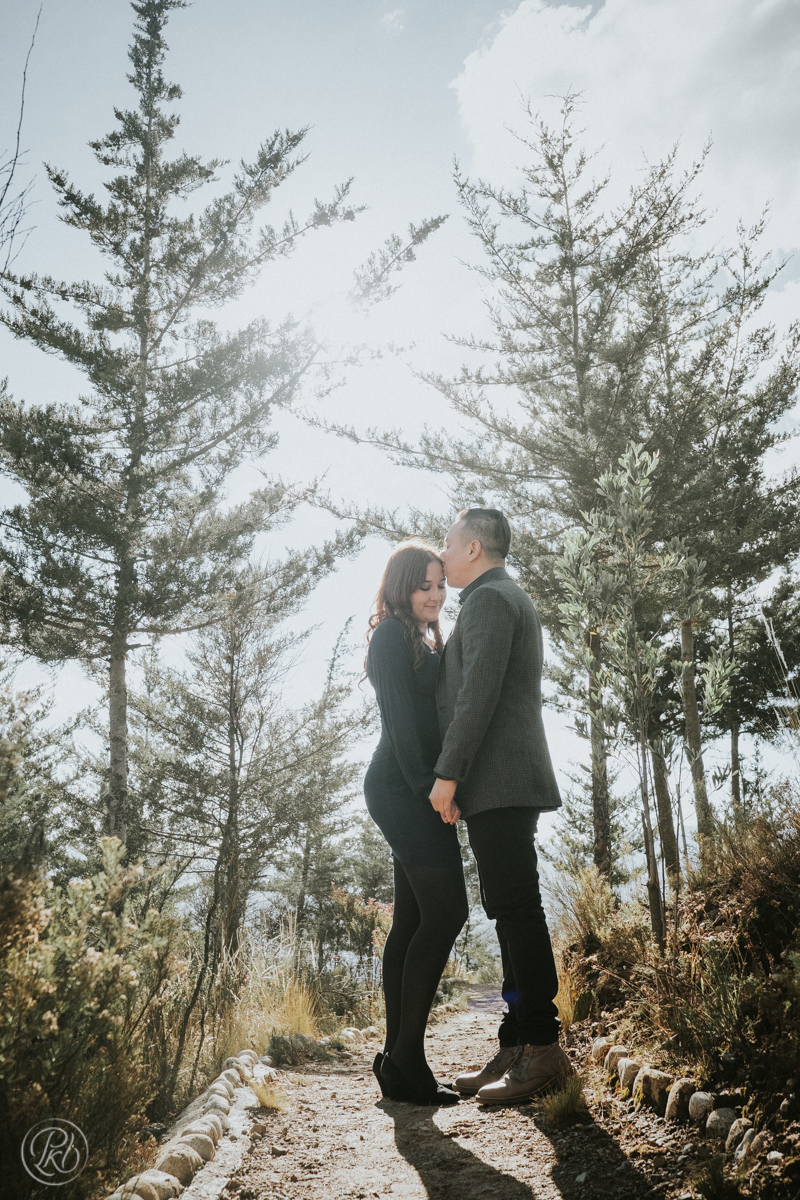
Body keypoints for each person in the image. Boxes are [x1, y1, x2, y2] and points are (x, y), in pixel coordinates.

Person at [429, 507, 573, 1104]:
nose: (441, 554)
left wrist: (448, 775)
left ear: (473, 548)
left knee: (516, 910)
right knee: (508, 911)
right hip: (501, 783)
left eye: (448, 543)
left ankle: (542, 1047)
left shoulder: (490, 599)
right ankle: (515, 1042)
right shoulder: (496, 596)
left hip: (501, 781)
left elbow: (477, 696)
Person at [364, 542, 468, 1106]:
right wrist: (432, 790)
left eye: (441, 584)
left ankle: (396, 1062)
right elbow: (402, 725)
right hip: (404, 788)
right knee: (447, 912)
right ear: (402, 587)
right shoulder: (389, 636)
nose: (436, 595)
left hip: (415, 787)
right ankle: (407, 1057)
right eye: (424, 585)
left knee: (411, 921)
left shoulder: (422, 639)